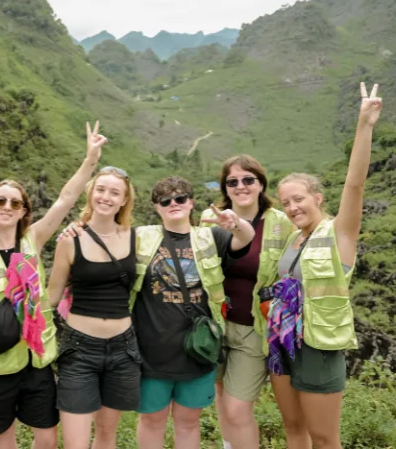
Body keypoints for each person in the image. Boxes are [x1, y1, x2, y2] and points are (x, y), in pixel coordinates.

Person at [61, 177, 255, 449]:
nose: (173, 204)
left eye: (180, 198)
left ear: (191, 203)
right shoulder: (140, 237)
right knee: (152, 421)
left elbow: (246, 238)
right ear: (156, 207)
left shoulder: (211, 237)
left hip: (197, 349)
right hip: (150, 350)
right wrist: (75, 228)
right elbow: (103, 235)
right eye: (165, 201)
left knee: (188, 423)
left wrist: (235, 224)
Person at [0, 123, 107, 449]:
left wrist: (90, 160)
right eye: (0, 200)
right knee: (5, 434)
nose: (7, 207)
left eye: (16, 203)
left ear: (24, 211)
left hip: (35, 358)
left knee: (46, 434)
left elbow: (65, 199)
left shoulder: (33, 238)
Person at [265, 83, 383, 449]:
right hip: (282, 342)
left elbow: (355, 185)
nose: (293, 207)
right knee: (293, 428)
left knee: (324, 437)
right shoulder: (291, 238)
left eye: (299, 199)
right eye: (286, 202)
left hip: (319, 344)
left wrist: (364, 125)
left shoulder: (339, 234)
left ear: (317, 197)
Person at [46, 164, 147, 449]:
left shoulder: (135, 237)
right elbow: (52, 296)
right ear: (91, 194)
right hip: (80, 349)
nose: (106, 197)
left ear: (124, 200)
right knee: (76, 443)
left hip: (122, 348)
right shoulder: (70, 241)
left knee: (106, 436)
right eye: (100, 190)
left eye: (115, 192)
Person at [198, 157, 296, 449]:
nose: (241, 186)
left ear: (261, 184)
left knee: (238, 408)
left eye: (248, 179)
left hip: (255, 328)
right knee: (221, 398)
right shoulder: (211, 218)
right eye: (233, 181)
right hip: (215, 325)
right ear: (225, 188)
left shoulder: (280, 223)